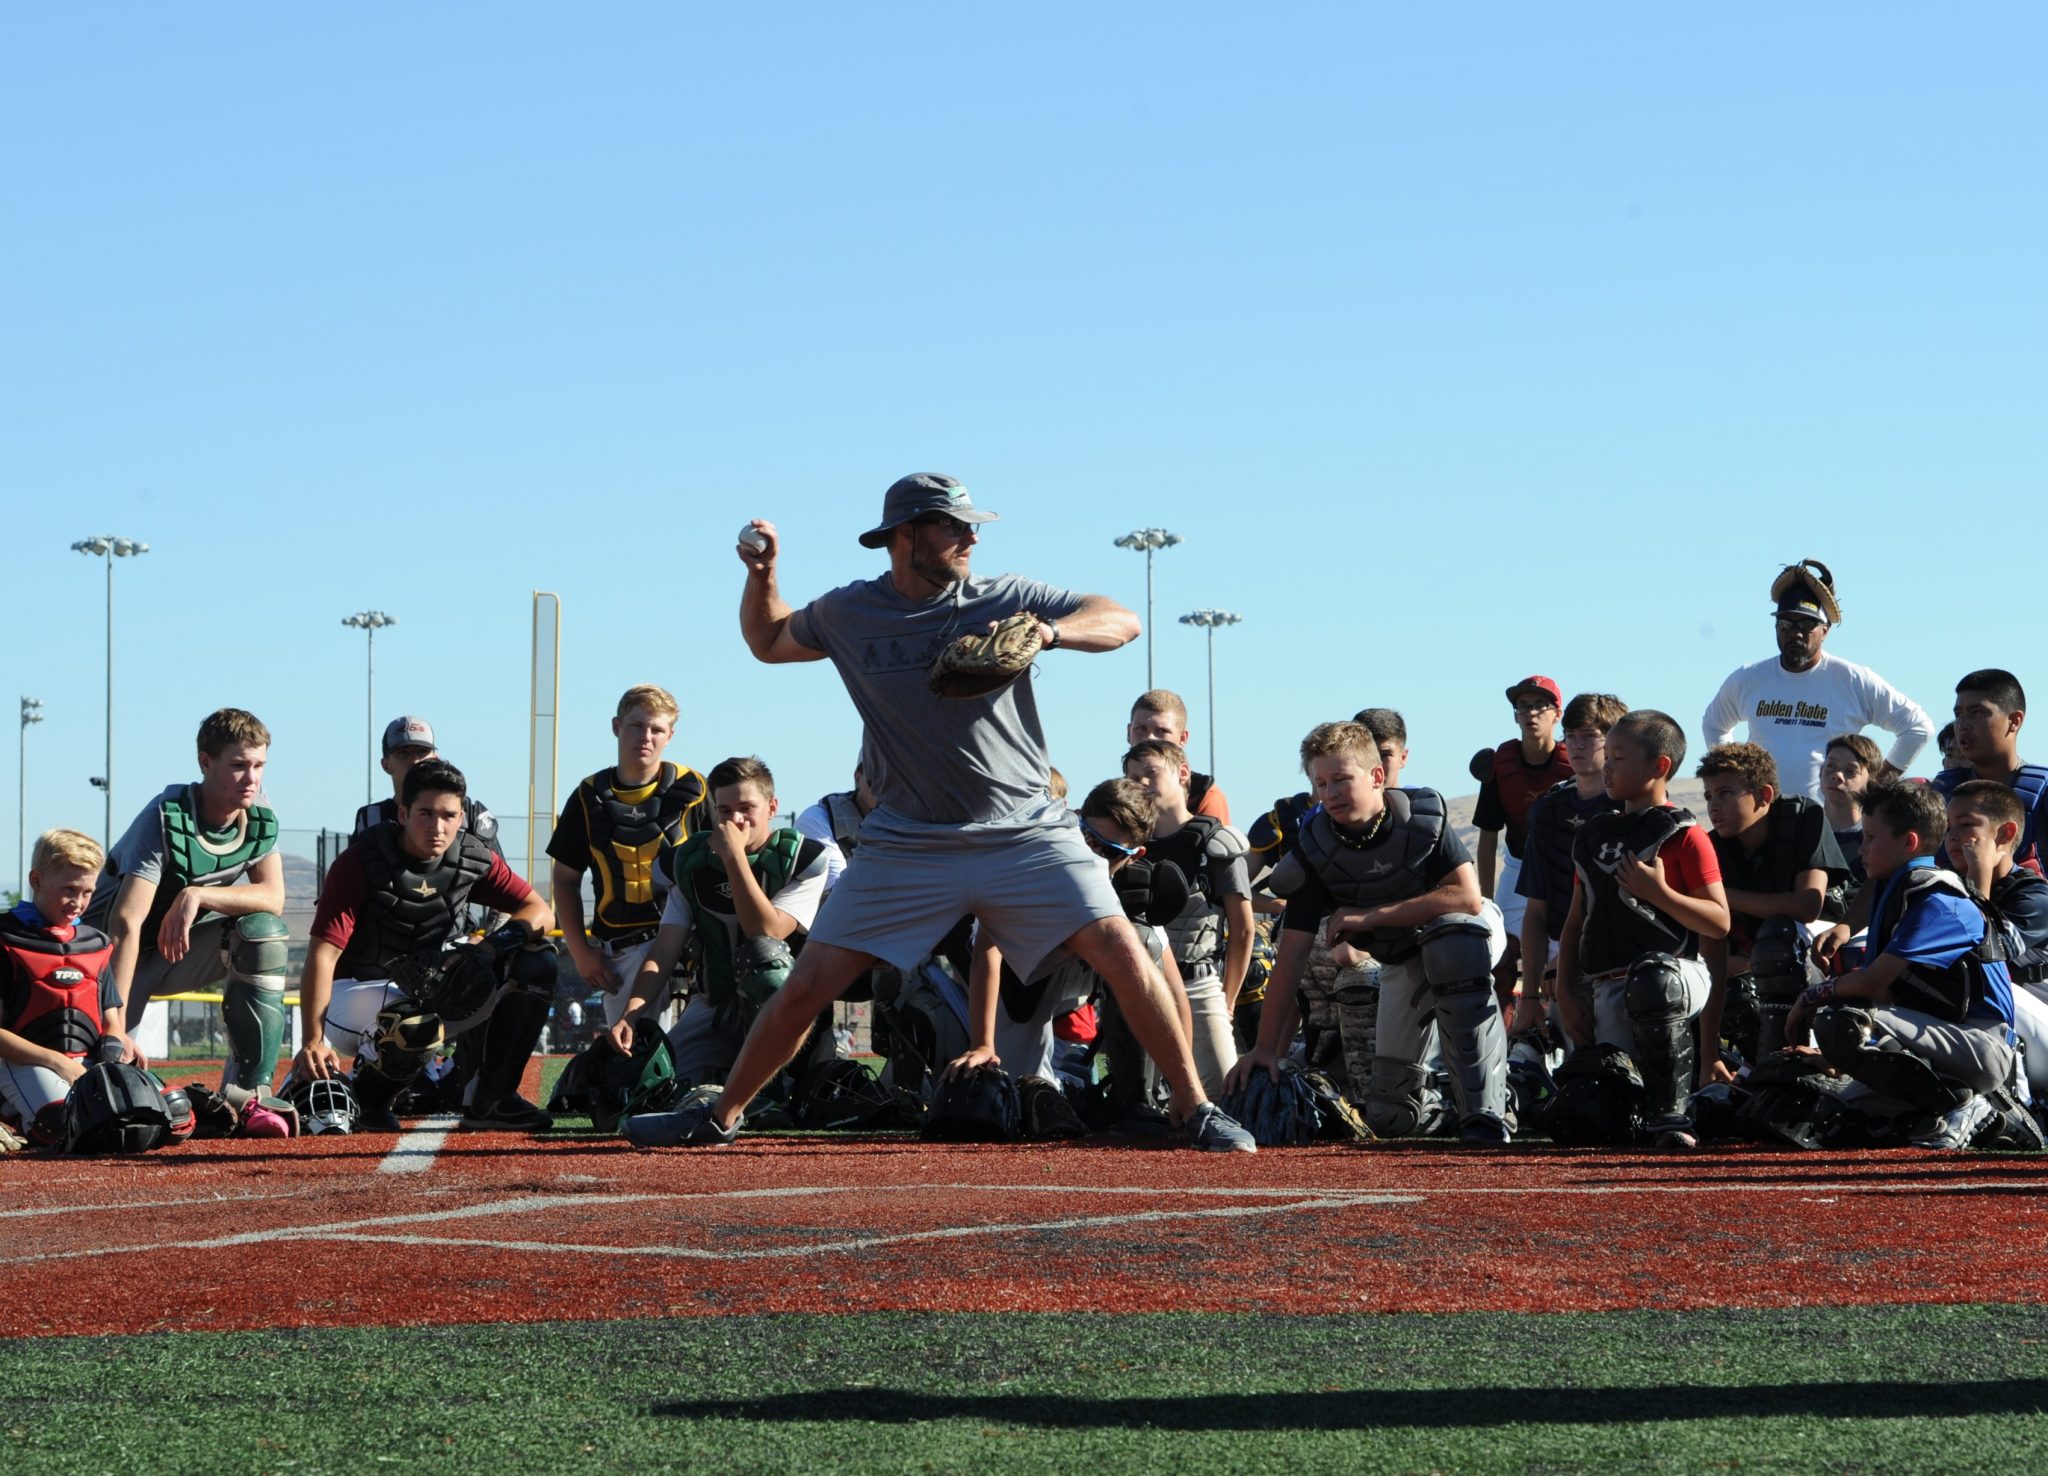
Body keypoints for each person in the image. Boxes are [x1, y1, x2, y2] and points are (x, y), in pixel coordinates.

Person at [640, 472, 1251, 1151]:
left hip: (1024, 828)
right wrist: (763, 575)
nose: (970, 536)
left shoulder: (1004, 597)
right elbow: (769, 641)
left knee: (1122, 947)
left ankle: (1193, 1108)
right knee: (809, 978)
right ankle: (719, 1116)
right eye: (953, 525)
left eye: (972, 525)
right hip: (908, 839)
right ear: (905, 536)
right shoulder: (851, 612)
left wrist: (1050, 634)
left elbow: (1122, 619)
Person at [1229, 720, 1511, 1144]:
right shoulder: (1315, 850)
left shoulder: (1421, 819)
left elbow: (1467, 898)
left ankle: (1487, 1113)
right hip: (1403, 958)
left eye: (1342, 779)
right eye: (1321, 783)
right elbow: (1291, 956)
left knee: (1452, 944)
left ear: (1377, 776)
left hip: (1465, 930)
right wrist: (1266, 1048)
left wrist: (1371, 916)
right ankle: (1439, 1107)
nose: (1330, 793)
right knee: (1390, 1116)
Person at [290, 759, 557, 1132]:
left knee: (537, 960)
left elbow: (540, 911)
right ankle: (371, 1100)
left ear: (461, 815)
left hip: (427, 990)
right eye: (425, 813)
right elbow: (323, 954)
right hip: (354, 996)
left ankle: (493, 1097)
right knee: (414, 1023)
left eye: (448, 815)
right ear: (403, 812)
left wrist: (488, 949)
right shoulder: (361, 861)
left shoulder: (471, 857)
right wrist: (313, 1040)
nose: (437, 826)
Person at [1789, 779, 2020, 1149]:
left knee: (1844, 1017)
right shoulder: (1898, 882)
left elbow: (1870, 986)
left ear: (1908, 842)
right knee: (1812, 1111)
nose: (1860, 847)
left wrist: (1809, 998)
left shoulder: (1937, 897)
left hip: (1982, 1047)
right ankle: (1934, 1111)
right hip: (1941, 1043)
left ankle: (1968, 1104)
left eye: (1870, 837)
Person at [1554, 710, 1730, 1151]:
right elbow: (1577, 921)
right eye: (1605, 756)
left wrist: (1660, 893)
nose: (1606, 766)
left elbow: (1719, 921)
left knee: (1654, 979)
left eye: (1618, 757)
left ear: (1659, 767)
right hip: (1609, 986)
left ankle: (1675, 1116)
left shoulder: (1684, 835)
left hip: (1675, 978)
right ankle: (1685, 1109)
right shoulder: (1593, 836)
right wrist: (1564, 992)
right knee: (1609, 1119)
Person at [86, 708, 288, 1091]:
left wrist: (196, 894)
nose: (252, 778)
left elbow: (273, 897)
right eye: (239, 765)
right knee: (104, 1083)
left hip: (168, 953)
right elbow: (125, 924)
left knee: (263, 933)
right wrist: (116, 1024)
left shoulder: (258, 816)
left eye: (260, 765)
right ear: (205, 763)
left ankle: (247, 1091)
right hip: (105, 967)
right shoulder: (166, 817)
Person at [609, 756, 832, 1092]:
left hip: (789, 1009)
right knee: (655, 1089)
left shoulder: (803, 859)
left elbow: (766, 932)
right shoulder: (691, 864)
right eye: (725, 811)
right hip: (715, 1003)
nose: (736, 819)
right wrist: (631, 1013)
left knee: (765, 960)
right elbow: (665, 949)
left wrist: (734, 858)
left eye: (746, 807)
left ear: (772, 807)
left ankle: (777, 1083)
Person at [1701, 560, 1933, 802]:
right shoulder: (1749, 678)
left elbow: (1917, 728)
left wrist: (1874, 789)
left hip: (1829, 827)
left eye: (1807, 624)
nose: (1796, 632)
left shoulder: (1852, 680)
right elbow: (1714, 724)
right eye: (1785, 623)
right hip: (1763, 823)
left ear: (1825, 630)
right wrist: (1737, 775)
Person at [548, 685, 709, 1031]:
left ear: (670, 735)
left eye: (657, 729)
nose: (646, 737)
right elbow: (565, 879)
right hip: (622, 948)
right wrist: (581, 951)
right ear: (616, 726)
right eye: (636, 725)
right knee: (634, 1061)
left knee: (699, 1058)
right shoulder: (589, 796)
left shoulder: (694, 791)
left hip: (689, 941)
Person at [1696, 742, 1848, 1063]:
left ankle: (1787, 1064)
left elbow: (1808, 906)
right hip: (1750, 964)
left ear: (1764, 796)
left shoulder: (1804, 815)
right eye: (1709, 795)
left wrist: (1720, 896)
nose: (1713, 806)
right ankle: (1755, 1069)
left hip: (1818, 956)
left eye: (1725, 792)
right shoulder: (1712, 846)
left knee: (1778, 940)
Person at [1123, 739, 1250, 1098]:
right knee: (1138, 1108)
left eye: (1151, 773)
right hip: (1142, 985)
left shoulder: (1215, 842)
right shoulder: (1126, 847)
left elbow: (1243, 930)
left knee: (1223, 1098)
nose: (1142, 784)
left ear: (1182, 774)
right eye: (1133, 778)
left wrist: (1227, 999)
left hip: (1199, 984)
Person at [1512, 693, 1627, 1034]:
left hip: (1618, 956)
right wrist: (1529, 997)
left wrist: (1566, 964)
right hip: (1557, 953)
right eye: (1571, 735)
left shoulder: (1631, 808)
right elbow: (1535, 910)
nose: (1577, 745)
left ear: (1613, 741)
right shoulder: (1549, 811)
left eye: (1589, 735)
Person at [0, 829, 116, 1145]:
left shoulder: (95, 943)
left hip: (84, 1060)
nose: (78, 902)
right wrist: (56, 1062)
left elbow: (111, 1016)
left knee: (164, 1117)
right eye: (69, 889)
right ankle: (9, 1112)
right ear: (36, 880)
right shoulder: (5, 937)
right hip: (22, 1062)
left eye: (87, 892)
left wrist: (117, 1043)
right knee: (66, 1127)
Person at [1472, 676, 1573, 1013]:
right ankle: (1505, 1039)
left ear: (1557, 714)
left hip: (1564, 870)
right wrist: (1485, 904)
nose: (1531, 713)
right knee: (1496, 957)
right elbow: (1488, 838)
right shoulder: (1501, 766)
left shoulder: (1573, 765)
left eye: (1540, 705)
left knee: (1564, 963)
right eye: (1523, 706)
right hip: (1517, 867)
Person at [1944, 780, 2048, 1104]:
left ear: (2004, 835)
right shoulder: (1947, 889)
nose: (1953, 838)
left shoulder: (2035, 895)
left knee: (1986, 986)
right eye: (1949, 828)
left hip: (2037, 1025)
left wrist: (1979, 874)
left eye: (1966, 826)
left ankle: (2017, 1105)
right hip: (1997, 1029)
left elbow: (1985, 955)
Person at [1929, 669, 2048, 874]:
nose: (1963, 725)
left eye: (1977, 713)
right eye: (1958, 714)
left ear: (2014, 721)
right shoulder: (1940, 793)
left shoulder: (2042, 792)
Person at [1126, 691, 1231, 823]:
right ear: (1128, 733)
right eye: (1141, 728)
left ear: (1182, 738)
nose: (1149, 738)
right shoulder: (1116, 794)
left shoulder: (1204, 796)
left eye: (1162, 731)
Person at [794, 761, 875, 894]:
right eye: (879, 774)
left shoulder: (912, 823)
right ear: (858, 776)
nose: (886, 785)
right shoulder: (817, 819)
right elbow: (841, 894)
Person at [1820, 732, 1888, 885]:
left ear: (1871, 783)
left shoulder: (1876, 841)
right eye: (1830, 766)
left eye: (1851, 771)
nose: (1837, 775)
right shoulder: (1803, 828)